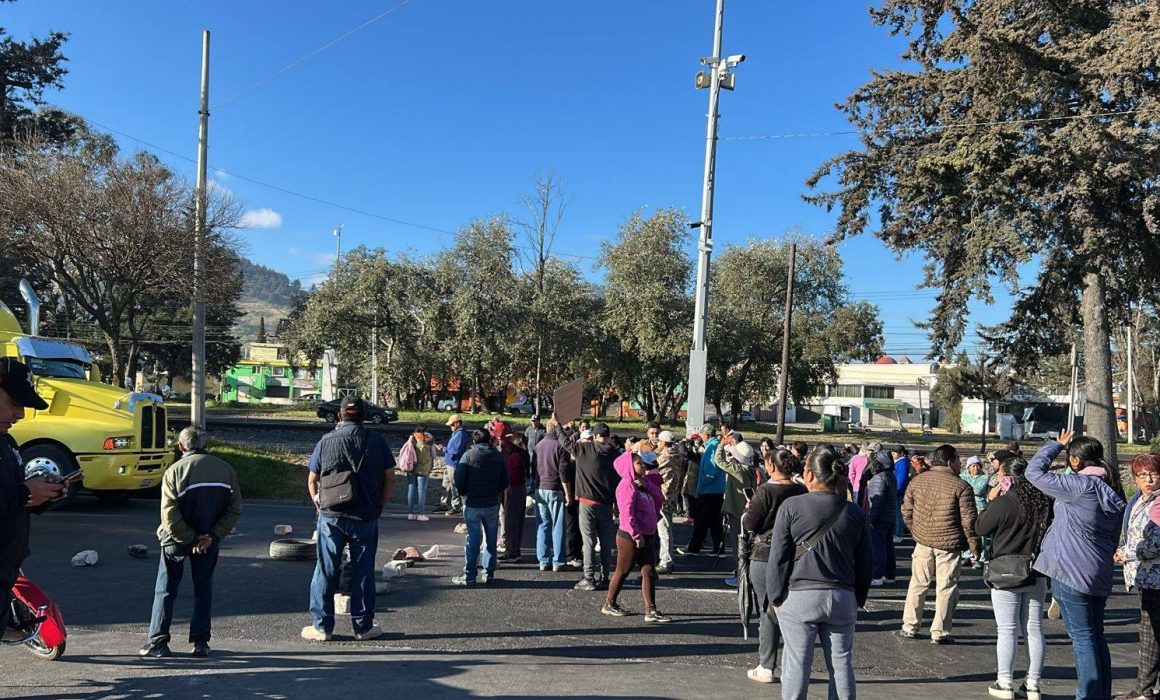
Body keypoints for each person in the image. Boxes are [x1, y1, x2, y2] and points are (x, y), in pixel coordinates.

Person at [767, 446, 872, 699]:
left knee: (797, 663)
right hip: (842, 595)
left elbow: (778, 558)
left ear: (810, 475)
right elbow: (866, 561)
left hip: (801, 595)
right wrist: (858, 598)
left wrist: (776, 597)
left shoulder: (792, 506)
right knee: (841, 664)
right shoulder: (853, 511)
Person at [1027, 431, 1125, 700]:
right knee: (1095, 635)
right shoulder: (1111, 489)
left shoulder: (1078, 486)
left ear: (1075, 461)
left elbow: (1033, 473)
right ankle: (1100, 693)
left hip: (1071, 570)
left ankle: (1088, 695)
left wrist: (1055, 445)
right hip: (1098, 570)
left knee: (1082, 638)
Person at [140, 426, 243, 658]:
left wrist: (191, 537)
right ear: (206, 445)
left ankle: (158, 642)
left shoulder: (174, 471)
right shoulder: (225, 470)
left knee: (166, 589)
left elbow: (169, 516)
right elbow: (234, 509)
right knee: (203, 588)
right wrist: (211, 536)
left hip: (175, 540)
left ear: (181, 446)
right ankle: (200, 643)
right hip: (209, 540)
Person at [302, 396, 395, 642]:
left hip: (331, 515)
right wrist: (380, 505)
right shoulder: (377, 441)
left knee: (326, 569)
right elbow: (390, 478)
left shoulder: (326, 441)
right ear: (364, 416)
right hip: (366, 514)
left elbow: (312, 479)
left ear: (340, 415)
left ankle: (322, 627)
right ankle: (363, 627)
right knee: (364, 570)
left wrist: (318, 502)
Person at [974, 455, 1050, 700]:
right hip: (1036, 570)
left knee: (1007, 629)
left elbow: (980, 527)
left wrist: (991, 500)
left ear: (1007, 478)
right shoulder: (1043, 502)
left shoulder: (1004, 503)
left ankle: (1005, 681)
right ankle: (1033, 684)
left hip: (1005, 570)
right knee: (1034, 628)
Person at [0, 359, 65, 637]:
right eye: (15, 402)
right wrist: (25, 492)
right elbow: (16, 494)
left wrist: (45, 494)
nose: (20, 414)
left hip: (7, 566)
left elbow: (14, 498)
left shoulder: (7, 442)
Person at [899, 444, 980, 644]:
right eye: (958, 460)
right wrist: (974, 545)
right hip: (949, 544)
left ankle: (910, 625)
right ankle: (940, 631)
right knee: (946, 587)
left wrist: (914, 530)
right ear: (949, 462)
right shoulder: (961, 487)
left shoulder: (917, 481)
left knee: (918, 583)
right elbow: (969, 521)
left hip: (923, 541)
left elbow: (906, 511)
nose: (960, 464)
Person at [742, 448, 807, 684]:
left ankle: (766, 665)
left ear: (771, 466)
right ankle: (793, 664)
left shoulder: (766, 491)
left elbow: (750, 523)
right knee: (790, 611)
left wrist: (749, 507)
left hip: (765, 553)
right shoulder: (801, 490)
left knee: (768, 611)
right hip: (794, 553)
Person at [603, 451, 669, 622]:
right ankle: (609, 603)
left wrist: (647, 485)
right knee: (622, 571)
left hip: (647, 534)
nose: (643, 466)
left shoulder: (641, 483)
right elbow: (626, 515)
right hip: (630, 537)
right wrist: (636, 535)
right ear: (629, 466)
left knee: (649, 572)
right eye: (638, 463)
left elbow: (659, 498)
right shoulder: (626, 486)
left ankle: (651, 610)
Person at [1116, 454, 1160, 700]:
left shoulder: (1158, 502)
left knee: (1150, 635)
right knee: (1151, 633)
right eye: (1143, 475)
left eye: (1154, 474)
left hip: (1155, 578)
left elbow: (1156, 543)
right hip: (1144, 576)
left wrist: (1128, 553)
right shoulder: (1138, 499)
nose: (1149, 480)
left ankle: (1144, 690)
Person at [560, 420, 621, 590]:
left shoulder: (585, 449)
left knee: (589, 541)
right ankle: (605, 577)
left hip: (587, 502)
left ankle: (588, 577)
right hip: (607, 503)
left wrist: (557, 425)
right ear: (608, 437)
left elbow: (564, 442)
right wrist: (617, 503)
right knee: (606, 542)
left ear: (595, 436)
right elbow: (620, 478)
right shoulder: (615, 454)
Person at [452, 429, 509, 586]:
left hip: (473, 502)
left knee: (473, 540)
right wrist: (496, 492)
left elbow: (459, 480)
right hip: (491, 502)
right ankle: (489, 573)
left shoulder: (469, 455)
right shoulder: (498, 456)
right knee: (491, 539)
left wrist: (464, 494)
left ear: (474, 440)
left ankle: (469, 575)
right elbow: (505, 481)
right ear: (489, 440)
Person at [715, 426, 758, 572]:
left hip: (736, 511)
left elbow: (719, 461)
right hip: (746, 511)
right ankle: (745, 570)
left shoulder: (738, 470)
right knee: (747, 542)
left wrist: (721, 444)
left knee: (737, 543)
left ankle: (739, 572)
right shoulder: (751, 471)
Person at [533, 422, 574, 572]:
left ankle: (543, 560)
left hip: (540, 488)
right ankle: (558, 561)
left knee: (542, 525)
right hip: (555, 488)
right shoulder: (560, 446)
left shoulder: (538, 446)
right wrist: (568, 493)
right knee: (558, 525)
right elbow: (563, 471)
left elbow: (533, 469)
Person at [681, 423, 725, 555]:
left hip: (708, 491)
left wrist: (702, 484)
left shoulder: (711, 447)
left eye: (702, 434)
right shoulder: (714, 446)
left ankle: (694, 547)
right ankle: (718, 549)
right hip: (716, 491)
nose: (701, 437)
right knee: (715, 522)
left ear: (707, 435)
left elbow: (711, 471)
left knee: (701, 521)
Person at [864, 449, 898, 586]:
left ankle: (877, 575)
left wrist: (871, 520)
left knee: (878, 547)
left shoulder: (879, 477)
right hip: (890, 516)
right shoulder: (891, 476)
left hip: (880, 518)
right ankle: (889, 574)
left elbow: (877, 501)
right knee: (889, 546)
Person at [499, 433, 530, 563]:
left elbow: (512, 477)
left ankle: (511, 551)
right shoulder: (524, 455)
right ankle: (515, 550)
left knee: (510, 522)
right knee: (518, 522)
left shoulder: (514, 457)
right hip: (521, 488)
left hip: (513, 489)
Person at [654, 430, 681, 573]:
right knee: (667, 529)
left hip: (663, 496)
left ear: (664, 443)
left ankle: (666, 561)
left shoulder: (665, 457)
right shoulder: (677, 455)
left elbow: (651, 466)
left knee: (663, 530)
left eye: (659, 441)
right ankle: (668, 559)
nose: (657, 443)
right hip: (672, 496)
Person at [400, 425, 435, 522]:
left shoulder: (411, 438)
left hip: (411, 468)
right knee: (421, 491)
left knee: (411, 489)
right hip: (423, 469)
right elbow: (434, 455)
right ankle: (420, 514)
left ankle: (410, 514)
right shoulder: (429, 441)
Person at [962, 455, 991, 567]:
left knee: (980, 533)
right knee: (967, 531)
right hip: (966, 507)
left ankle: (981, 557)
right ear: (968, 467)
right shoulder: (962, 475)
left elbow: (978, 490)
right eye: (973, 466)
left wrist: (965, 488)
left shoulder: (984, 477)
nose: (976, 468)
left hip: (979, 508)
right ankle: (967, 554)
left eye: (978, 466)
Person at [441, 414, 469, 515]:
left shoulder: (461, 434)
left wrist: (444, 449)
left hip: (454, 464)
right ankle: (443, 504)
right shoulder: (457, 433)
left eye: (452, 424)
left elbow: (455, 451)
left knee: (454, 486)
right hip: (449, 463)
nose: (450, 426)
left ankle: (456, 506)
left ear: (457, 423)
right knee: (446, 484)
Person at [892, 445, 910, 543]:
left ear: (901, 453)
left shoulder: (902, 463)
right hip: (896, 490)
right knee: (896, 513)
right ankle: (896, 532)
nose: (893, 454)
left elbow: (901, 480)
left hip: (898, 492)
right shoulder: (899, 462)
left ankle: (898, 533)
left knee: (898, 513)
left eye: (895, 453)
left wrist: (896, 491)